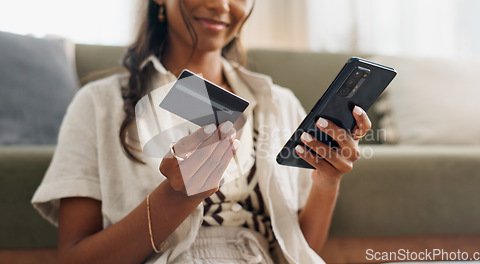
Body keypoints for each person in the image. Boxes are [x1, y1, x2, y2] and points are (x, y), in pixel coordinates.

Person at [32, 0, 372, 263]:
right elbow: (75, 258)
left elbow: (300, 250)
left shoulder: (278, 103)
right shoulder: (98, 103)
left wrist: (326, 183)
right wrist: (177, 196)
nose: (222, 5)